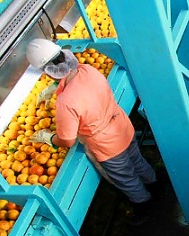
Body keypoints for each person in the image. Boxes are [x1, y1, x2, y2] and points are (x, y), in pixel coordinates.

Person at [25, 39, 158, 223]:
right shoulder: (87, 70)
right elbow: (81, 88)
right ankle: (157, 185)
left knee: (126, 177)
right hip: (122, 127)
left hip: (107, 146)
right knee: (137, 160)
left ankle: (145, 206)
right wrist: (57, 88)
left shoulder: (65, 102)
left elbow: (68, 140)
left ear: (46, 72)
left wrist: (49, 137)